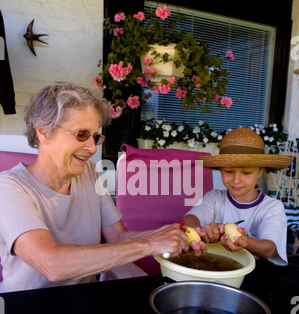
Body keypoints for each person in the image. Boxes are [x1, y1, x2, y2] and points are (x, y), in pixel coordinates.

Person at [0, 82, 189, 292]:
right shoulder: (9, 188)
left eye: (95, 136)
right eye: (81, 134)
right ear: (44, 132)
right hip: (26, 310)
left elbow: (117, 237)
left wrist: (169, 234)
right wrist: (149, 245)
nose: (92, 147)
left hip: (84, 302)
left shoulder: (89, 172)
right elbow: (52, 264)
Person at [184, 127, 293, 266]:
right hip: (213, 265)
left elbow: (269, 249)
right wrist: (201, 231)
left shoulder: (272, 207)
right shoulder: (214, 198)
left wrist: (240, 239)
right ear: (220, 170)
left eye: (246, 173)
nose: (236, 180)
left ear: (260, 172)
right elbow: (189, 219)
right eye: (229, 171)